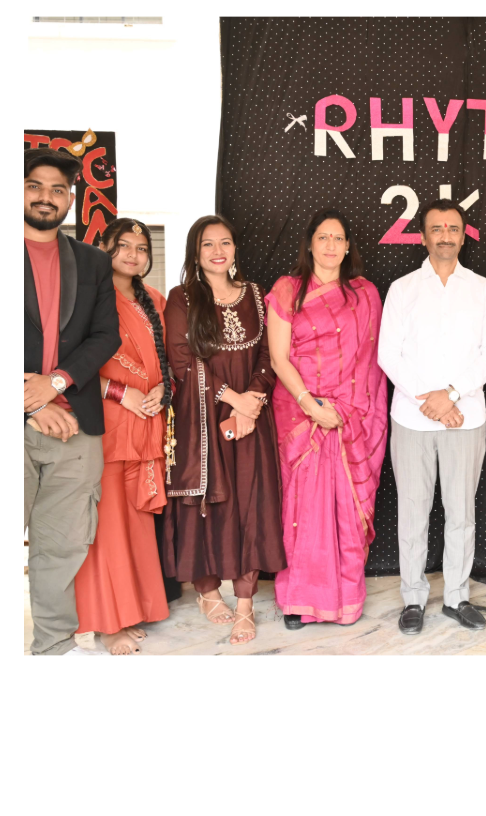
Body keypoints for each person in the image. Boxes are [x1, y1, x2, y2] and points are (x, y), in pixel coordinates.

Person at [377, 201, 486, 635]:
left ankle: (456, 597)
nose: (445, 235)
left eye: (453, 228)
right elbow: (388, 354)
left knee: (461, 513)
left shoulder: (482, 289)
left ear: (463, 236)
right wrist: (427, 400)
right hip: (411, 419)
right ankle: (413, 598)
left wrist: (449, 396)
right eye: (437, 228)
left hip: (464, 418)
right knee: (413, 513)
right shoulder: (403, 289)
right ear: (423, 236)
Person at [162, 216, 286, 646]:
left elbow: (270, 354)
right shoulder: (182, 297)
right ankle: (208, 590)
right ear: (195, 253)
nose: (218, 251)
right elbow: (182, 360)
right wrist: (233, 398)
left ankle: (246, 602)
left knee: (252, 502)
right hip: (202, 419)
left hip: (252, 417)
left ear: (235, 248)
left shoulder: (255, 294)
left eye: (226, 242)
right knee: (208, 504)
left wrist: (253, 400)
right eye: (208, 244)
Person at [266, 210, 387, 630]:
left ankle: (345, 600)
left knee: (344, 512)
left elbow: (371, 363)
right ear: (310, 243)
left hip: (350, 417)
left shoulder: (365, 294)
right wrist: (312, 405)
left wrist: (343, 410)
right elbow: (278, 358)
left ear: (348, 246)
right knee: (302, 509)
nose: (331, 245)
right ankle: (299, 600)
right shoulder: (288, 289)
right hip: (301, 416)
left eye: (338, 238)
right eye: (323, 237)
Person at [23, 148, 121, 656]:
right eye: (35, 186)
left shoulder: (92, 261)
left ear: (71, 199)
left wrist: (56, 383)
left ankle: (53, 646)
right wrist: (32, 402)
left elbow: (106, 336)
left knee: (61, 547)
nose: (47, 197)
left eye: (58, 190)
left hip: (75, 424)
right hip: (32, 417)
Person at [72, 219, 173, 655]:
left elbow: (171, 361)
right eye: (123, 245)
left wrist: (163, 388)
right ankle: (107, 623)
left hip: (148, 421)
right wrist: (120, 393)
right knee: (107, 525)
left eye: (142, 247)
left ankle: (133, 609)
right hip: (107, 424)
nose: (134, 254)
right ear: (103, 247)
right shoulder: (86, 297)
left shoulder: (155, 301)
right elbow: (67, 366)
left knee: (135, 520)